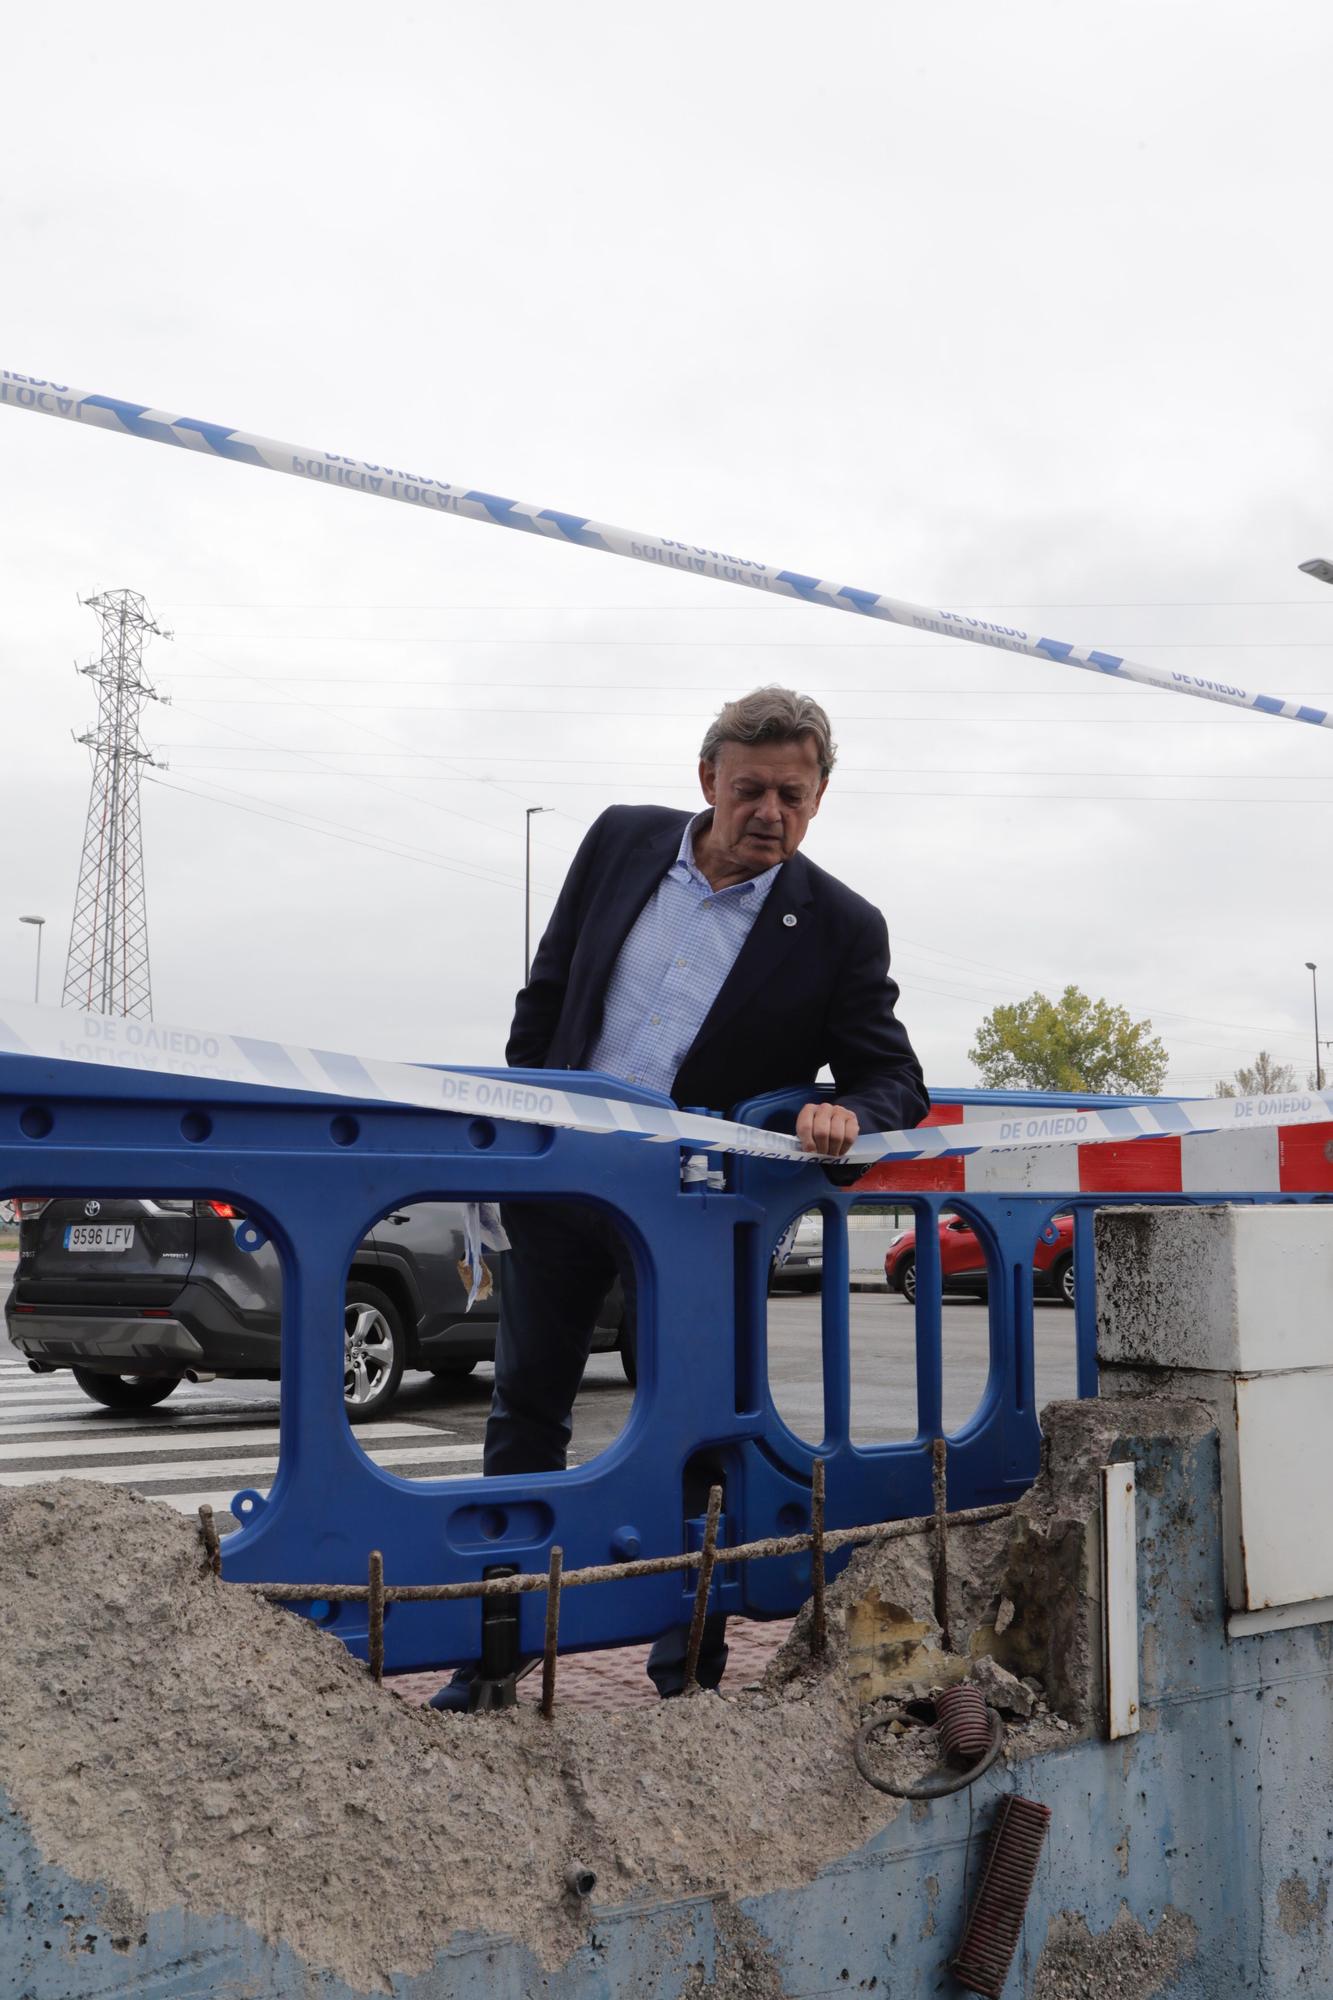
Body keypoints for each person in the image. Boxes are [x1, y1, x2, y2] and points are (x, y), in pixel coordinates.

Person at [432, 686, 927, 1709]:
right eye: (751, 789)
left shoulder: (839, 926)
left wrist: (840, 1113)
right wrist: (529, 1118)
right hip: (562, 1183)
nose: (771, 813)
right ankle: (491, 1655)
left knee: (698, 1442)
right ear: (707, 779)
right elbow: (548, 992)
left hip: (692, 1221)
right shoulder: (620, 841)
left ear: (820, 796)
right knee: (524, 1413)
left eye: (794, 794)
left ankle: (685, 1673)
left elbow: (896, 1082)